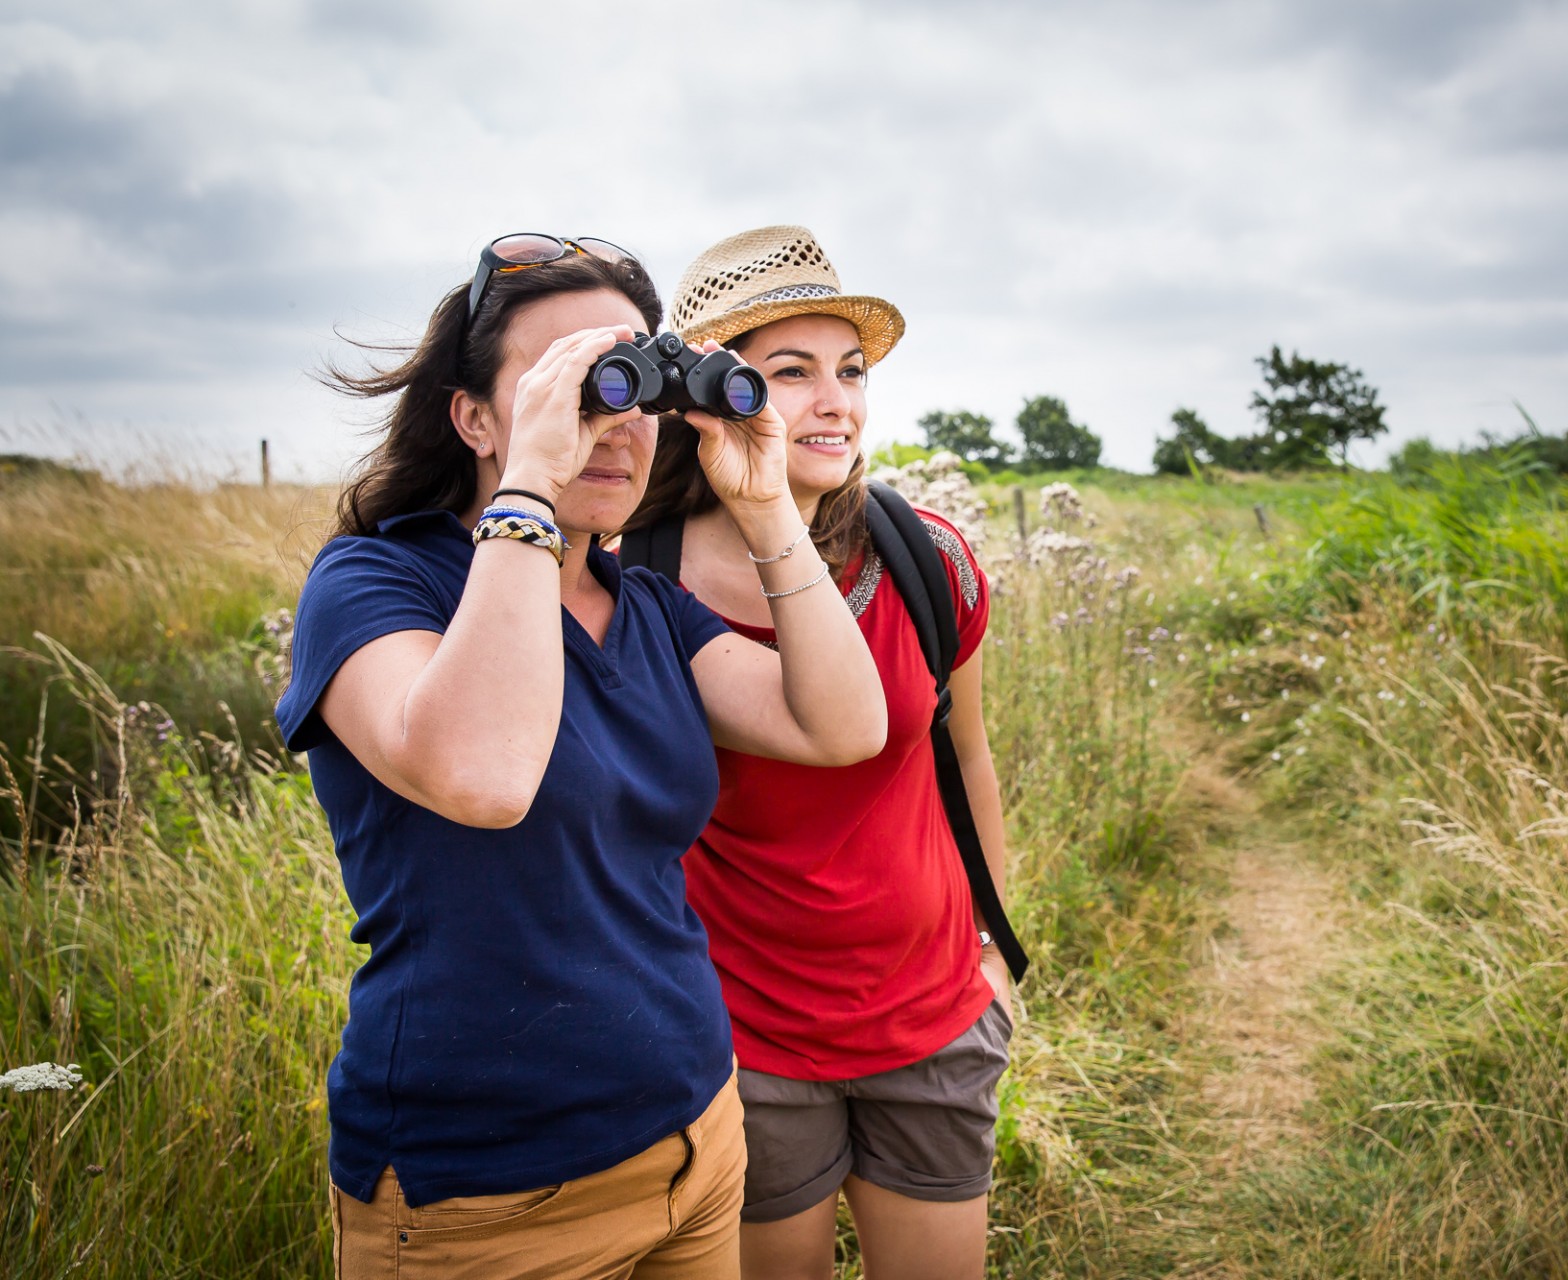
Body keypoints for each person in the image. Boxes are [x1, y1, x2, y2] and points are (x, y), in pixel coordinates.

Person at [276, 234, 887, 1280]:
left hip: (696, 1141)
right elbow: (485, 775)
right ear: (472, 418)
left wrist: (766, 501)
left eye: (630, 386)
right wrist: (533, 489)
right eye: (570, 385)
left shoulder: (643, 605)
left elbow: (842, 726)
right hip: (486, 1193)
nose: (613, 426)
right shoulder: (377, 584)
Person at [624, 226, 1015, 1280]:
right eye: (787, 372)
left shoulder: (926, 560)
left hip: (931, 1020)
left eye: (849, 370)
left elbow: (965, 761)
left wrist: (993, 951)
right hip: (743, 1041)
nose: (835, 400)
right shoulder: (633, 584)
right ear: (702, 395)